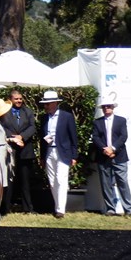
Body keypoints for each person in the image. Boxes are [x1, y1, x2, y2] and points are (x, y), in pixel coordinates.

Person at [38, 90, 78, 219]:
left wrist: (74, 155)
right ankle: (57, 206)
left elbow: (73, 137)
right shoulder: (44, 118)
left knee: (61, 179)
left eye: (48, 104)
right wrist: (42, 156)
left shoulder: (67, 116)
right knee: (52, 181)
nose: (46, 106)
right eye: (45, 104)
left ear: (55, 103)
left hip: (63, 152)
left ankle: (60, 209)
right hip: (49, 151)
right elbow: (42, 139)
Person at [92, 101, 131, 216]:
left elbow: (123, 136)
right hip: (103, 156)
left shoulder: (121, 120)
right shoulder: (97, 122)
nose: (106, 108)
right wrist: (104, 149)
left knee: (123, 182)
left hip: (119, 156)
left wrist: (113, 148)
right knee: (106, 184)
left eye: (108, 106)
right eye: (104, 107)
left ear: (113, 107)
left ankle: (128, 210)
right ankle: (110, 209)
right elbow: (95, 137)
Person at [0, 89, 37, 214]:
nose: (19, 101)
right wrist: (14, 138)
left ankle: (28, 208)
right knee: (9, 181)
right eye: (16, 99)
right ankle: (5, 208)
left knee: (25, 181)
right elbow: (2, 128)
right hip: (10, 151)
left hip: (25, 150)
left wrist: (22, 137)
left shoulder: (28, 111)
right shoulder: (5, 113)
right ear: (10, 99)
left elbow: (32, 127)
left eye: (20, 98)